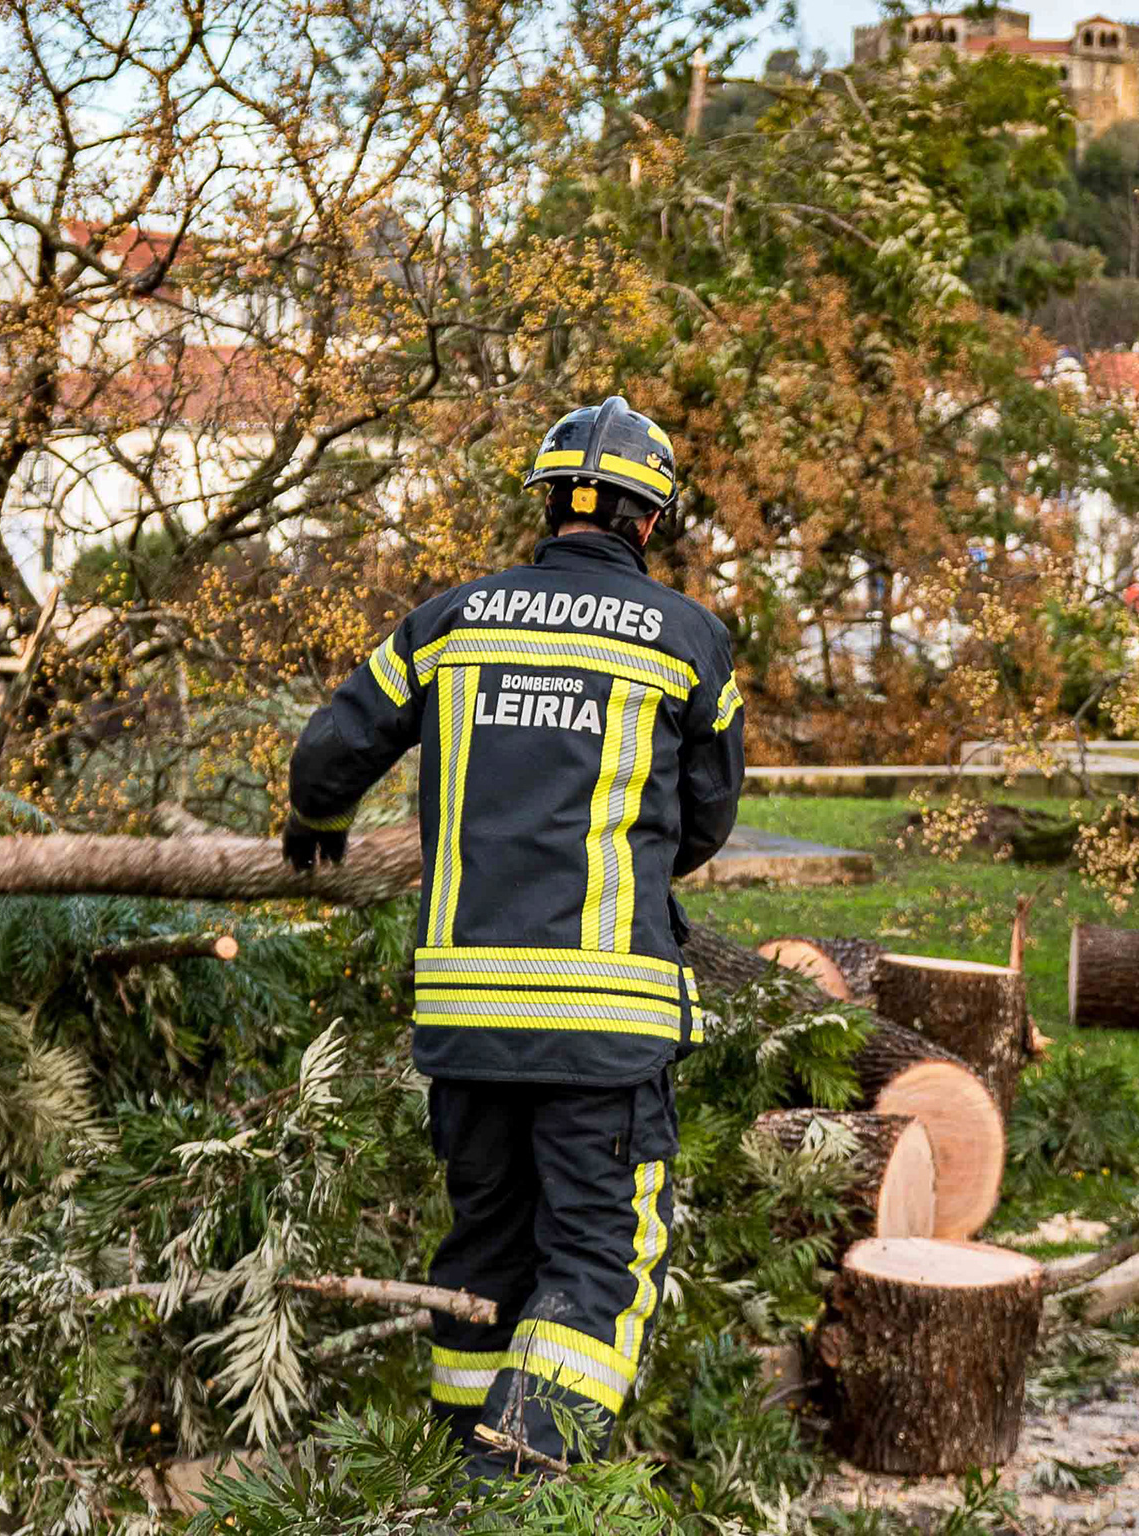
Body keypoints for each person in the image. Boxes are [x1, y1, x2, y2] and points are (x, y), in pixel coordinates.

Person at [281, 396, 744, 1476]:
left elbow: (332, 749)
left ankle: (450, 1470)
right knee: (595, 1267)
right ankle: (522, 1492)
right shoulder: (688, 641)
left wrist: (317, 823)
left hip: (466, 1021)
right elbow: (707, 818)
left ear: (548, 504)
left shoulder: (451, 621)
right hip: (605, 1028)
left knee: (482, 1255)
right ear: (648, 520)